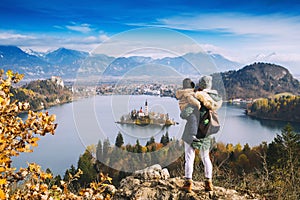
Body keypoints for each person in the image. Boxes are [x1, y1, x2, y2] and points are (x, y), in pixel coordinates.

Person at [180, 75, 222, 192]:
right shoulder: (214, 100)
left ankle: (188, 183)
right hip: (206, 133)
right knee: (205, 158)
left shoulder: (197, 97)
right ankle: (208, 182)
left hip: (191, 133)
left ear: (201, 85)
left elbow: (184, 114)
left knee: (189, 158)